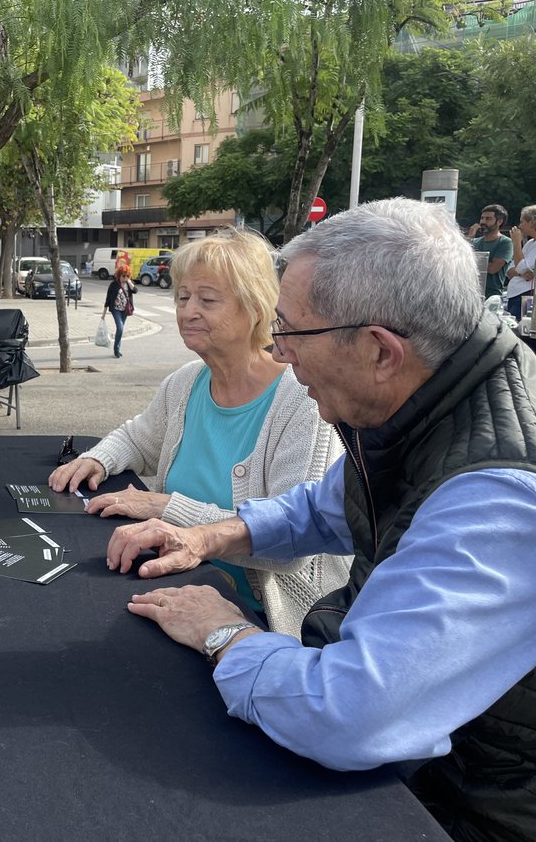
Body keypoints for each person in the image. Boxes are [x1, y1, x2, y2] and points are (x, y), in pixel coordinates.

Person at [110, 198, 536, 842]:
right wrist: (209, 533)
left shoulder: (500, 492)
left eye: (289, 332)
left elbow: (350, 715)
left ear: (379, 350)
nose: (280, 353)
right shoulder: (451, 387)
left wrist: (224, 634)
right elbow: (330, 503)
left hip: (472, 806)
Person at [51, 230, 347, 637]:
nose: (188, 311)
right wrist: (97, 458)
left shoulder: (302, 400)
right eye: (182, 297)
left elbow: (294, 542)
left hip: (265, 624)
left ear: (256, 309)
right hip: (179, 590)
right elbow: (138, 437)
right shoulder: (187, 382)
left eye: (207, 300)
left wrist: (165, 507)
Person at [505, 204, 536, 319]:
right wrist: (521, 273)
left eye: (522, 222)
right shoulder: (530, 243)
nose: (519, 226)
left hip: (527, 294)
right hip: (516, 294)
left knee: (521, 331)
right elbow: (510, 270)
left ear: (532, 222)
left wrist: (517, 243)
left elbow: (521, 267)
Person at [467, 203, 513, 301]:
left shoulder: (505, 243)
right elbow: (460, 261)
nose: (483, 222)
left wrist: (470, 261)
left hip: (491, 296)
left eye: (488, 219)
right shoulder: (474, 242)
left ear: (499, 221)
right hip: (471, 293)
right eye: (482, 218)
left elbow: (493, 268)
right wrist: (470, 238)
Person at [101, 263, 136, 358]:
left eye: (127, 276)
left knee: (120, 330)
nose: (125, 277)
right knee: (120, 328)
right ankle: (116, 349)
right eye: (123, 275)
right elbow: (108, 299)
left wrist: (128, 281)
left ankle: (117, 349)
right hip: (116, 309)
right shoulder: (113, 285)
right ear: (119, 275)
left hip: (125, 310)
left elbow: (135, 290)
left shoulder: (129, 284)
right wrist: (103, 314)